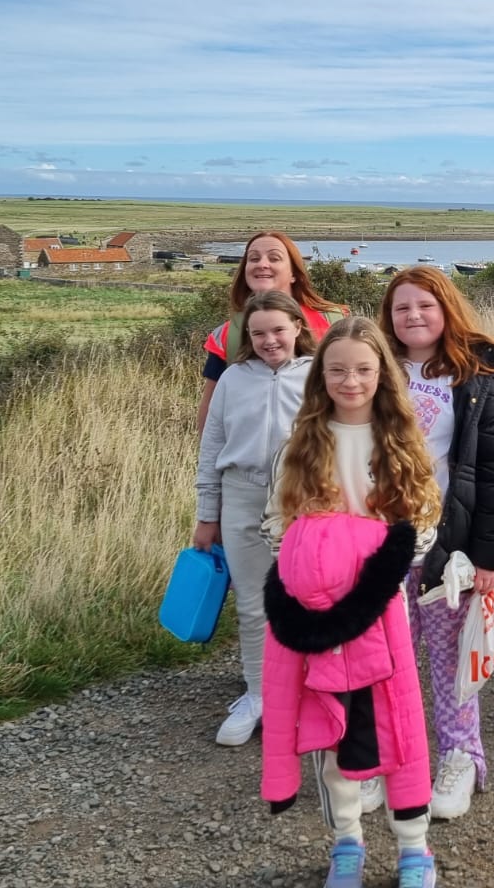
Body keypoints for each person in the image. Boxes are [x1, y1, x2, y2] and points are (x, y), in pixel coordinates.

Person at [261, 317, 444, 888]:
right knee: (332, 730)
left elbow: (423, 523)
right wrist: (312, 562)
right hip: (317, 612)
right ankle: (348, 842)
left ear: (381, 375)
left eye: (363, 369)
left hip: (379, 610)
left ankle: (414, 849)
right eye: (337, 369)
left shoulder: (400, 441)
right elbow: (277, 521)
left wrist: (369, 560)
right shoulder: (302, 443)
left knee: (396, 727)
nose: (350, 380)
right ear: (321, 375)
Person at [376, 266, 494, 821]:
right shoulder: (374, 370)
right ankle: (391, 759)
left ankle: (461, 757)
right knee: (386, 659)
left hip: (446, 546)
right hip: (380, 543)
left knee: (450, 658)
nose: (413, 316)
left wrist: (489, 556)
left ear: (446, 310)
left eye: (425, 306)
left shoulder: (477, 377)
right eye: (401, 307)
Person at [193, 291, 315, 746]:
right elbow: (211, 450)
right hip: (240, 496)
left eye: (278, 330)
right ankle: (258, 693)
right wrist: (208, 515)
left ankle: (305, 692)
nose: (269, 340)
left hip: (302, 499)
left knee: (303, 599)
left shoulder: (317, 377)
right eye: (258, 333)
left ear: (298, 328)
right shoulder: (232, 379)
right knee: (252, 603)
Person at [197, 232, 345, 432]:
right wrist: (209, 461)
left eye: (274, 258)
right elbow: (211, 413)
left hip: (319, 455)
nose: (262, 264)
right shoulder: (226, 335)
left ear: (294, 273)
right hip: (249, 460)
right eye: (253, 258)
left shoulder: (333, 324)